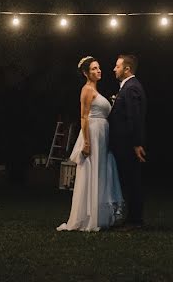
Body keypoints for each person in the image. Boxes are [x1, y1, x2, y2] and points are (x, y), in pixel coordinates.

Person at [57, 56, 123, 232]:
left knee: (101, 171)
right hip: (93, 134)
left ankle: (99, 215)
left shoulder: (96, 90)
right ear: (86, 73)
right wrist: (86, 142)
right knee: (91, 170)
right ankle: (87, 217)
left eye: (99, 67)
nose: (98, 71)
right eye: (94, 68)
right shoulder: (86, 90)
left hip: (102, 134)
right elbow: (84, 116)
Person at [108, 53, 147, 228]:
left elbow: (134, 117)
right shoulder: (128, 87)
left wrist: (136, 144)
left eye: (117, 66)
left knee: (132, 181)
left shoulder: (131, 88)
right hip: (125, 143)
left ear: (127, 69)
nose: (114, 69)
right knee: (128, 180)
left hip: (127, 144)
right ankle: (132, 218)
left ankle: (135, 220)